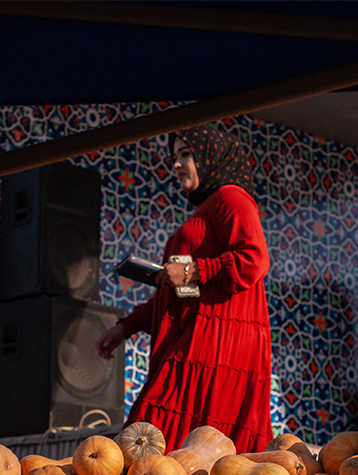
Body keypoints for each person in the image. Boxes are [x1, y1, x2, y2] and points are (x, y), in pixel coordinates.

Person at [95, 125, 273, 453]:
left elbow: (255, 258)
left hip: (221, 342)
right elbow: (176, 294)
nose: (176, 164)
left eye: (186, 154)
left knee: (153, 436)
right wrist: (127, 327)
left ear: (209, 156)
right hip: (196, 335)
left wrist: (194, 270)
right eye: (174, 156)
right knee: (158, 441)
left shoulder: (231, 198)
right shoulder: (208, 206)